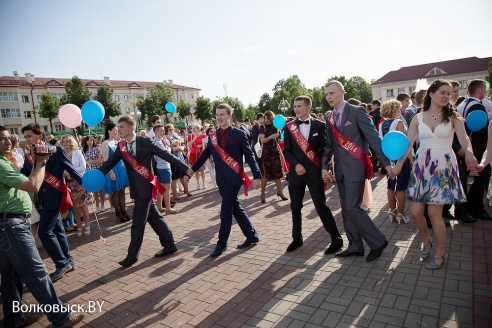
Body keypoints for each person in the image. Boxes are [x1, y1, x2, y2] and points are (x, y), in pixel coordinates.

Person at [0, 126, 85, 328]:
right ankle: (60, 317)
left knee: (11, 278)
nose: (6, 142)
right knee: (36, 272)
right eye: (0, 139)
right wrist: (40, 161)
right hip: (11, 224)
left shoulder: (5, 161)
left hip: (9, 223)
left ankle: (15, 319)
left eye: (6, 138)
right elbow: (33, 185)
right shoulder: (1, 164)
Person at [392, 80, 477, 270]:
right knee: (415, 213)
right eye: (443, 92)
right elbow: (408, 145)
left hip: (443, 167)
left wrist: (469, 153)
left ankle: (440, 252)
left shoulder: (453, 117)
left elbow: (463, 138)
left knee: (434, 214)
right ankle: (426, 240)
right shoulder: (417, 118)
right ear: (431, 94)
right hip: (423, 167)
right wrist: (398, 166)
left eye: (449, 93)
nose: (447, 96)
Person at [98, 116, 193, 267]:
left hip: (146, 188)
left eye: (121, 127)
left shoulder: (145, 142)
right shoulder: (121, 145)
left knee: (137, 222)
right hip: (135, 188)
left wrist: (186, 168)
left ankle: (132, 256)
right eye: (118, 127)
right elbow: (109, 163)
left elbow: (165, 155)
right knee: (154, 217)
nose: (119, 130)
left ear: (131, 128)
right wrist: (95, 177)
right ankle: (169, 245)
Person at [322, 80, 391, 262]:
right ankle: (355, 245)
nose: (329, 96)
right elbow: (329, 145)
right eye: (327, 94)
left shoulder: (357, 111)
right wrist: (324, 166)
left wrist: (387, 164)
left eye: (332, 93)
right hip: (340, 170)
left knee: (353, 208)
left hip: (356, 168)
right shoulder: (329, 117)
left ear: (342, 92)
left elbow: (373, 139)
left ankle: (378, 241)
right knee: (346, 209)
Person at [190, 104, 262, 257]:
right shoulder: (213, 136)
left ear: (229, 116)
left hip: (234, 178)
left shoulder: (239, 134)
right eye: (217, 114)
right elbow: (204, 155)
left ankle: (221, 244)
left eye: (222, 114)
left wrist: (256, 176)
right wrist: (191, 170)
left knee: (225, 210)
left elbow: (249, 156)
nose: (219, 117)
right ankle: (251, 235)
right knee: (235, 207)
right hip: (220, 179)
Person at [282, 96, 343, 254]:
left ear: (309, 107)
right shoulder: (289, 127)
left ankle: (337, 240)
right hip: (296, 174)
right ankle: (296, 239)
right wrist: (296, 165)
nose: (296, 109)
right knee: (295, 207)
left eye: (300, 106)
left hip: (315, 173)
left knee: (321, 206)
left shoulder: (320, 125)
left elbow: (326, 149)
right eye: (295, 106)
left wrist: (325, 167)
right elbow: (286, 150)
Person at [21, 123, 80, 282]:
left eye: (29, 136)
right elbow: (24, 174)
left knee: (44, 231)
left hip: (55, 196)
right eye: (25, 137)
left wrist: (85, 184)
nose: (27, 140)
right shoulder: (29, 155)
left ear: (40, 135)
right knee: (58, 229)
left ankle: (61, 263)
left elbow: (71, 169)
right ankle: (67, 260)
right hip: (41, 198)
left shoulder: (56, 150)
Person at [456, 79, 491, 220]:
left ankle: (465, 208)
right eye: (485, 89)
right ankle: (475, 208)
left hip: (464, 147)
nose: (486, 92)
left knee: (464, 179)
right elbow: (482, 130)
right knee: (481, 177)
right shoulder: (478, 106)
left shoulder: (461, 104)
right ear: (478, 90)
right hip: (476, 148)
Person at [378, 100, 412, 224]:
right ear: (394, 110)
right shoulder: (399, 122)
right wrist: (411, 159)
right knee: (401, 188)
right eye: (398, 109)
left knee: (391, 187)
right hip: (400, 159)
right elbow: (403, 144)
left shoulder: (382, 125)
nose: (400, 111)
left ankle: (392, 211)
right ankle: (401, 213)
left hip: (388, 158)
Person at [61, 135, 91, 237]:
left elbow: (83, 167)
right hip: (68, 183)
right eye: (64, 141)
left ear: (71, 142)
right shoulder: (61, 154)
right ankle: (79, 226)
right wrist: (65, 174)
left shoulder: (77, 153)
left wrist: (71, 173)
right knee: (74, 206)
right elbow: (61, 168)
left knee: (82, 204)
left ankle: (87, 225)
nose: (65, 143)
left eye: (67, 141)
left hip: (78, 182)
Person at [100, 123, 130, 222]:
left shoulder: (117, 142)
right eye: (114, 130)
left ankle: (124, 211)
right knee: (116, 192)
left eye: (117, 130)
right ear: (109, 131)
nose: (116, 132)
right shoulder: (105, 143)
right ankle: (119, 213)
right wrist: (111, 172)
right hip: (113, 169)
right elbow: (106, 160)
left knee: (122, 191)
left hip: (121, 168)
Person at [259, 110, 288, 203]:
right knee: (265, 174)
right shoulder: (262, 127)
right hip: (266, 153)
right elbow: (262, 141)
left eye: (268, 118)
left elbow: (278, 139)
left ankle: (280, 192)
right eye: (265, 118)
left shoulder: (276, 127)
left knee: (278, 174)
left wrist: (277, 139)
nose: (266, 120)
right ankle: (262, 194)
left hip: (275, 151)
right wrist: (271, 137)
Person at [153, 124, 176, 214]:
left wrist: (168, 148)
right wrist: (169, 149)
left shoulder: (160, 140)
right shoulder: (157, 142)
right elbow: (166, 152)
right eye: (161, 130)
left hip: (162, 166)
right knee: (166, 187)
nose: (163, 132)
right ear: (156, 131)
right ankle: (167, 208)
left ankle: (160, 207)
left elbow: (168, 148)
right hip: (163, 166)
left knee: (161, 188)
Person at [82, 135, 106, 213]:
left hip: (98, 170)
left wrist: (91, 161)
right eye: (88, 140)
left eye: (91, 140)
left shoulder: (97, 149)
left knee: (101, 189)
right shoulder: (84, 151)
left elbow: (100, 160)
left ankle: (102, 205)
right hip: (89, 171)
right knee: (95, 190)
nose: (90, 142)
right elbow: (84, 163)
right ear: (85, 142)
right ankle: (97, 206)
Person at [187, 123, 208, 189]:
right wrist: (194, 138)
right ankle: (198, 183)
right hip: (193, 154)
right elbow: (188, 145)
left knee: (202, 169)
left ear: (198, 129)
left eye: (195, 128)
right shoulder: (190, 136)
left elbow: (206, 145)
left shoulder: (203, 136)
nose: (193, 130)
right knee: (195, 170)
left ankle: (204, 183)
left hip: (201, 154)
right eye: (192, 128)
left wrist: (201, 145)